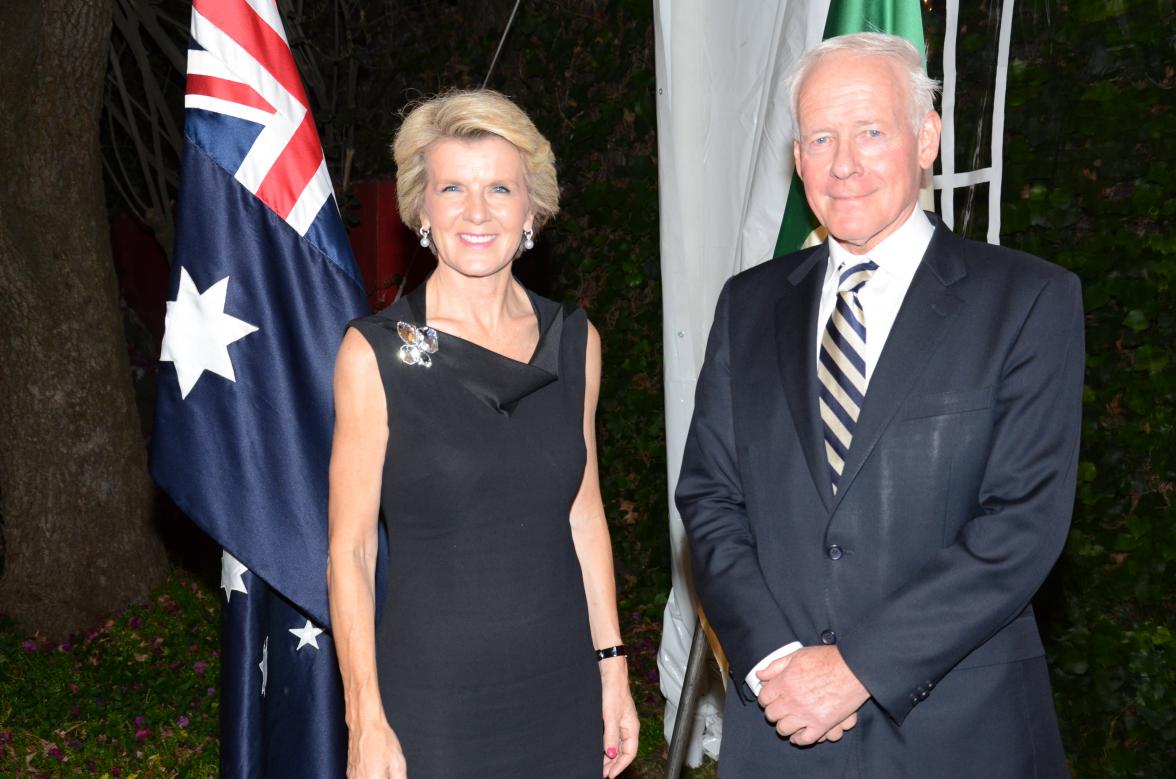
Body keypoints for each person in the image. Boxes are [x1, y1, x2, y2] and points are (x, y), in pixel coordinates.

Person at [676, 33, 1082, 777]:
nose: (844, 163)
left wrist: (858, 666)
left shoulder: (1027, 299)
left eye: (870, 131)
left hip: (960, 734)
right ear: (796, 158)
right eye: (820, 137)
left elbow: (1023, 522)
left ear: (925, 138)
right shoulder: (748, 304)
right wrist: (771, 658)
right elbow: (710, 497)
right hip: (781, 729)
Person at [327, 89, 638, 779]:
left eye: (499, 187)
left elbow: (584, 515)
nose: (476, 212)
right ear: (422, 210)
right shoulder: (374, 353)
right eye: (452, 188)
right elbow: (349, 551)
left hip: (560, 695)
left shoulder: (574, 341)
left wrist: (613, 667)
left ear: (532, 209)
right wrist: (364, 718)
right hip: (431, 707)